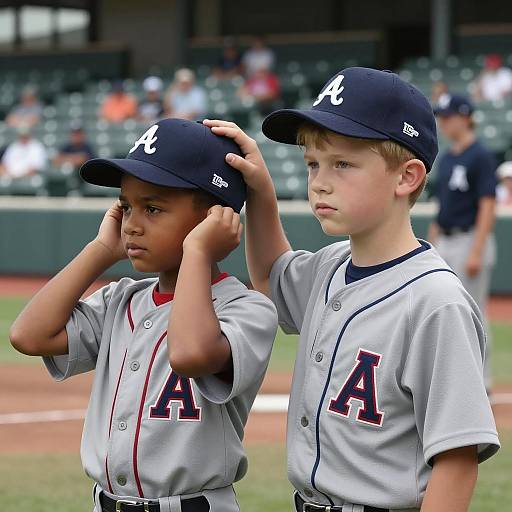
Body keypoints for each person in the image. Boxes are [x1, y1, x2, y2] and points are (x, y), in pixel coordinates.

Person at [204, 67, 499, 511]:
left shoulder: (436, 302)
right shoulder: (331, 265)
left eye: (343, 163)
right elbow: (270, 276)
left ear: (407, 177)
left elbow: (456, 461)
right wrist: (261, 192)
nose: (319, 181)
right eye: (312, 165)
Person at [10, 118, 278, 511]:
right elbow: (28, 336)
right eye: (126, 207)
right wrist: (102, 250)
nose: (132, 225)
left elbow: (189, 354)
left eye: (152, 208)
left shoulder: (248, 309)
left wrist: (198, 252)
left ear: (213, 219)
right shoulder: (121, 300)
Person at [429, 93, 497, 392]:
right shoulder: (447, 158)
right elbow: (442, 206)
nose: (443, 123)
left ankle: (481, 384)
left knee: (473, 313)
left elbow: (487, 204)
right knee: (443, 312)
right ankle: (451, 382)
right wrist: (431, 244)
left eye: (449, 116)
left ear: (466, 116)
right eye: (441, 117)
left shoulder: (480, 154)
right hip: (446, 238)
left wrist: (477, 249)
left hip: (469, 238)